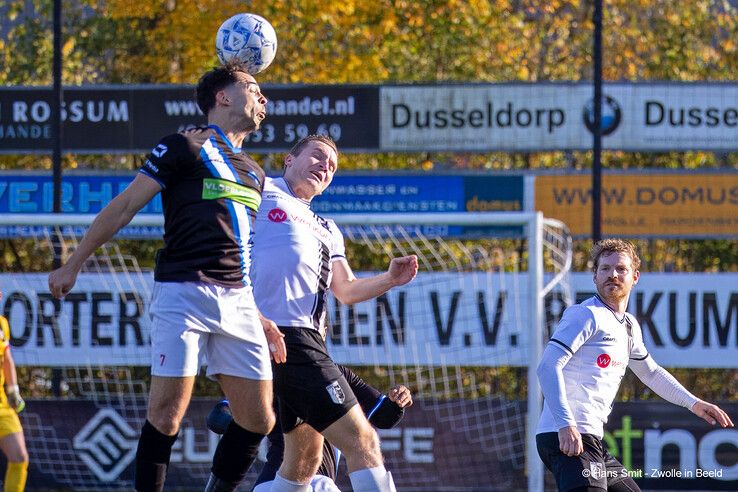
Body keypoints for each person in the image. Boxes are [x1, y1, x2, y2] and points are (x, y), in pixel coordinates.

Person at [48, 61, 286, 492]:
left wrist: (260, 315)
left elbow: (244, 251)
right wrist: (73, 263)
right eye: (254, 88)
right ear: (223, 97)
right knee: (166, 415)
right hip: (184, 291)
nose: (264, 98)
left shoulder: (255, 171)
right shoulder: (184, 146)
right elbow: (124, 208)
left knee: (259, 418)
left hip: (237, 300)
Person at [249, 134, 418, 492]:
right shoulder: (260, 190)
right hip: (278, 333)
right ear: (288, 160)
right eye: (317, 156)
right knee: (363, 442)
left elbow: (346, 291)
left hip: (302, 341)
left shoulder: (327, 229)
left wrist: (388, 279)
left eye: (332, 166)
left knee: (305, 459)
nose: (325, 166)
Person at [536, 238, 734, 492]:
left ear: (635, 277)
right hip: (566, 435)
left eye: (621, 269)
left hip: (590, 438)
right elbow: (548, 366)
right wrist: (565, 424)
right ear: (594, 276)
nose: (612, 275)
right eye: (605, 269)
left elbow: (650, 373)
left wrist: (694, 403)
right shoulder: (585, 315)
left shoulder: (628, 325)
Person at [206, 365, 413, 491]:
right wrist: (258, 422)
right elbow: (218, 417)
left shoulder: (339, 375)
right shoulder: (268, 377)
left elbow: (384, 416)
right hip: (278, 480)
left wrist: (398, 401)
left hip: (308, 482)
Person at [0, 289, 29, 492]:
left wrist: (13, 391)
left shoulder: (2, 324)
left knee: (19, 457)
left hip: (1, 404)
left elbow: (7, 359)